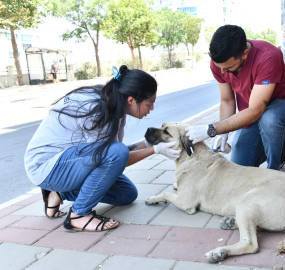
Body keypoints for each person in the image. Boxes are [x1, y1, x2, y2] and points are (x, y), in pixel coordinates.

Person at [24, 65, 181, 232]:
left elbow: (110, 153)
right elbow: (116, 156)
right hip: (46, 166)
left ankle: (58, 193)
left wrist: (149, 144)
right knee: (117, 153)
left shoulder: (114, 103)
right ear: (131, 100)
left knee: (125, 194)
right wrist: (156, 150)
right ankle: (78, 215)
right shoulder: (99, 110)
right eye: (149, 103)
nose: (152, 109)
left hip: (68, 162)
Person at [186, 25, 285, 170]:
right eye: (219, 67)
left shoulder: (268, 56)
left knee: (269, 120)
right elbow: (227, 100)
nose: (223, 71)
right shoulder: (220, 63)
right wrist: (223, 133)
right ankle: (278, 141)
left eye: (228, 68)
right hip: (253, 113)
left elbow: (256, 111)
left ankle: (274, 171)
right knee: (239, 166)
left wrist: (212, 129)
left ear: (244, 54)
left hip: (283, 108)